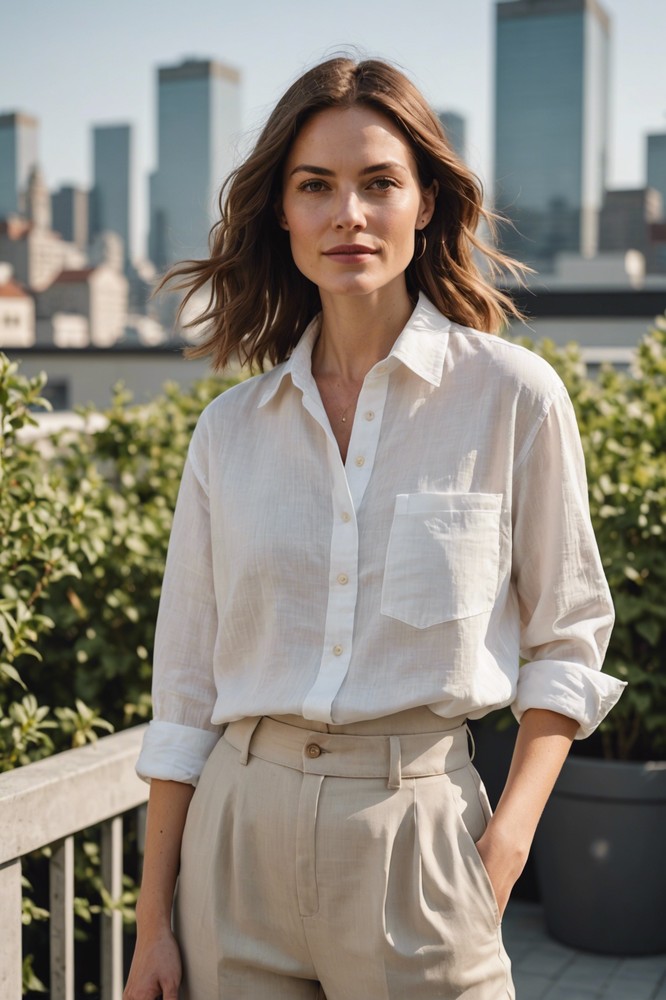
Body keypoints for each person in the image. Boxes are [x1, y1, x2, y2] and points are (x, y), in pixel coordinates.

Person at [123, 57, 625, 1000]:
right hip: (237, 846)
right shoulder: (229, 432)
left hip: (421, 841)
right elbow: (184, 690)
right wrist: (155, 922)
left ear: (426, 202)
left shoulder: (514, 399)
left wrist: (504, 846)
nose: (348, 213)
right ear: (281, 211)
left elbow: (566, 640)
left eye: (379, 183)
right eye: (316, 186)